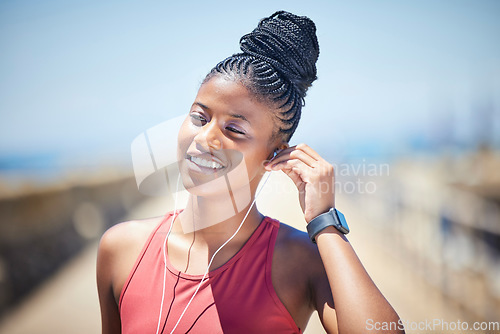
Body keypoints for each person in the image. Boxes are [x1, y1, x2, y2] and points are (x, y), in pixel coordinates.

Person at [97, 11, 404, 334]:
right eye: (199, 118)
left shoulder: (299, 261)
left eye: (234, 129)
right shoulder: (122, 248)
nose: (204, 138)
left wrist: (324, 221)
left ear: (275, 154)